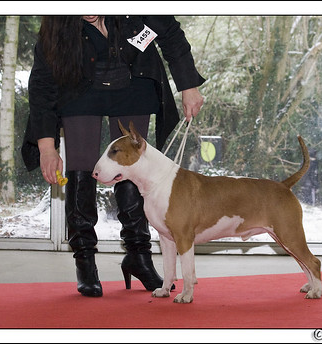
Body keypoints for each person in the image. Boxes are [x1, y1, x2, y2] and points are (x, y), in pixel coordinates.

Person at [22, 15, 204, 297]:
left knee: (132, 166)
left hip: (133, 82)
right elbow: (42, 85)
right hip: (79, 87)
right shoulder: (57, 27)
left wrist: (188, 86)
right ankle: (85, 260)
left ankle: (138, 255)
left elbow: (170, 33)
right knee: (82, 166)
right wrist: (47, 147)